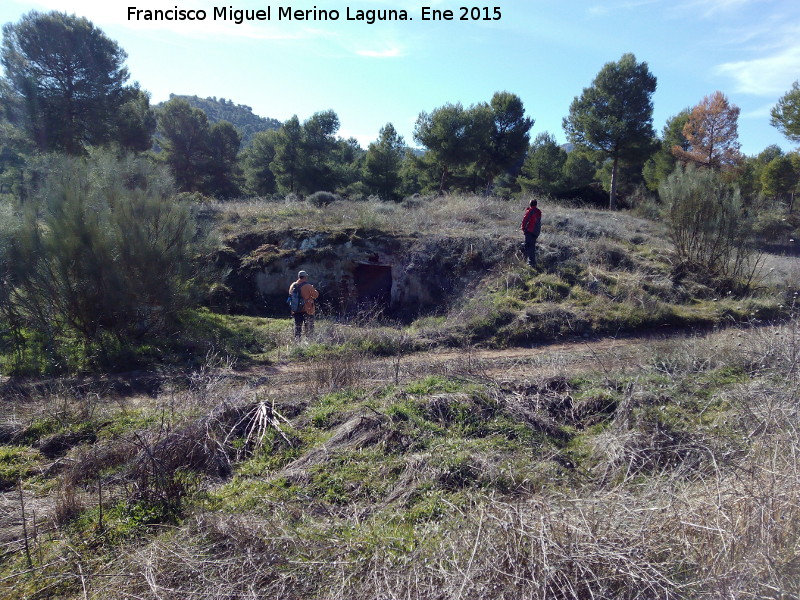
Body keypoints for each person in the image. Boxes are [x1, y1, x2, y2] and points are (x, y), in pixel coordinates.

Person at [288, 270, 320, 341]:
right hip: (307, 310)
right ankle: (309, 342)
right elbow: (316, 295)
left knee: (298, 327)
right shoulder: (308, 286)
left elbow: (290, 295)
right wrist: (314, 289)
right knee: (309, 328)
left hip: (296, 310)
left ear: (299, 277)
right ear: (305, 277)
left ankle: (297, 342)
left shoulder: (292, 285)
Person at [520, 198, 542, 267]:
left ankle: (531, 263)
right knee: (531, 246)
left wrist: (523, 228)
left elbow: (525, 220)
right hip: (536, 231)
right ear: (536, 204)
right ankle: (532, 262)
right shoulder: (538, 211)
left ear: (530, 204)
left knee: (529, 246)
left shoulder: (530, 211)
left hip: (530, 231)